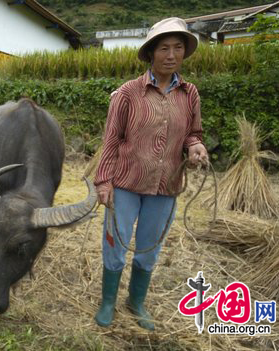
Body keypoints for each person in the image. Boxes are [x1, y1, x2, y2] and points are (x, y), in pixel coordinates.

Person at [93, 17, 208, 331]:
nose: (171, 55)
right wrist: (103, 181)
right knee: (116, 245)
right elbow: (111, 139)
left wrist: (196, 147)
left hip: (167, 185)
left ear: (184, 53)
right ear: (151, 53)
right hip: (126, 183)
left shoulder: (190, 94)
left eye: (178, 48)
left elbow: (193, 133)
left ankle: (136, 301)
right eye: (164, 48)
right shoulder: (128, 93)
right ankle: (108, 302)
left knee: (148, 248)